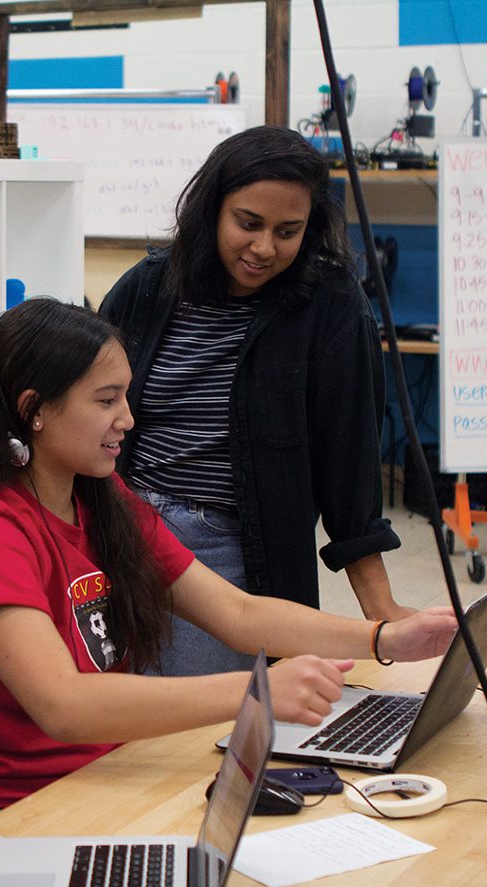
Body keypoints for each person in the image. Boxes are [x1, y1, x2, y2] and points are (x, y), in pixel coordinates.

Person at [0, 298, 456, 830]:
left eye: (125, 395)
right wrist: (254, 691)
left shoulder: (101, 500)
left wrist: (385, 638)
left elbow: (237, 612)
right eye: (105, 400)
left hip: (102, 781)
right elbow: (62, 704)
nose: (127, 417)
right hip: (7, 816)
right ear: (34, 410)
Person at [99, 124, 411, 677]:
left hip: (231, 553)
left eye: (287, 231)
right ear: (212, 209)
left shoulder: (331, 307)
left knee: (207, 733)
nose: (264, 248)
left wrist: (381, 611)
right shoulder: (145, 289)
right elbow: (87, 417)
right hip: (121, 533)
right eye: (248, 224)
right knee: (124, 728)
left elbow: (349, 464)